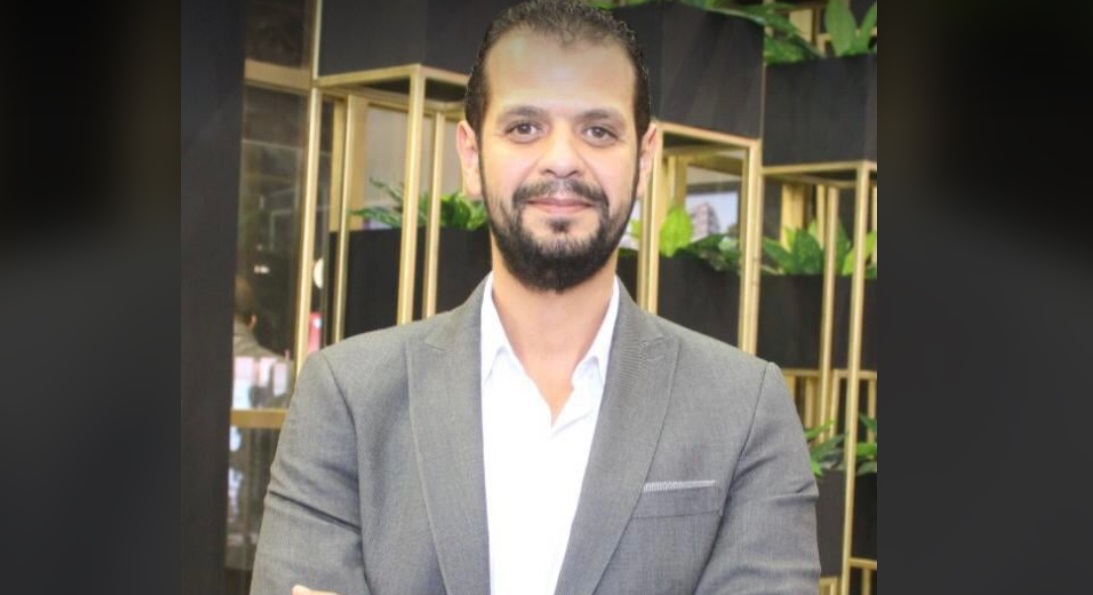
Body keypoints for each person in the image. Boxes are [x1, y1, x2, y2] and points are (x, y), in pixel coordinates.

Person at [250, 2, 818, 594]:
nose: (562, 160)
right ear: (472, 155)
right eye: (525, 127)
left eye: (598, 131)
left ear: (645, 159)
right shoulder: (349, 398)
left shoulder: (743, 409)